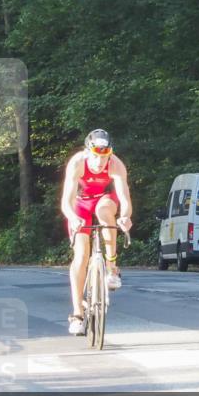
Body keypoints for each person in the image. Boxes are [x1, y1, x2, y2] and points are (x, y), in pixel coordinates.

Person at [60, 129, 132, 336]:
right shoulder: (77, 163)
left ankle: (111, 267)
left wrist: (125, 216)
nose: (100, 162)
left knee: (104, 212)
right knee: (81, 256)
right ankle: (77, 314)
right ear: (87, 151)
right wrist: (73, 218)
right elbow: (66, 200)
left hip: (105, 199)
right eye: (96, 156)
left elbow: (125, 197)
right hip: (80, 204)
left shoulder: (116, 164)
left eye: (104, 157)